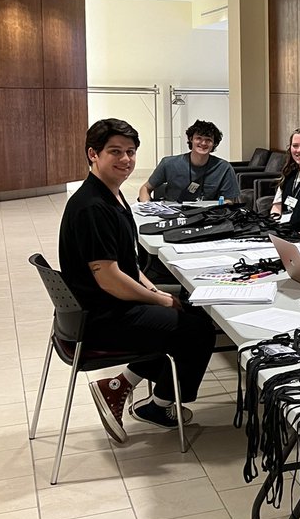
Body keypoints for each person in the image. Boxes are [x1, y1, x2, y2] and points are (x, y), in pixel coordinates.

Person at [59, 118, 216, 443]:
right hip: (102, 317)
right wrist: (159, 299)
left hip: (107, 305)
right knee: (197, 330)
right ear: (93, 154)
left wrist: (153, 288)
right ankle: (159, 405)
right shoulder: (92, 207)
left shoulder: (112, 196)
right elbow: (110, 279)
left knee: (193, 308)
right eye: (115, 152)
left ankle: (119, 386)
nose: (125, 159)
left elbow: (127, 263)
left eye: (130, 152)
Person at [138, 119, 239, 203]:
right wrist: (147, 206)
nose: (203, 143)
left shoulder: (224, 168)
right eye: (198, 138)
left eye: (208, 139)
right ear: (191, 139)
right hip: (172, 216)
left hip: (208, 217)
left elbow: (229, 200)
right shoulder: (169, 163)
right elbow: (145, 188)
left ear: (214, 143)